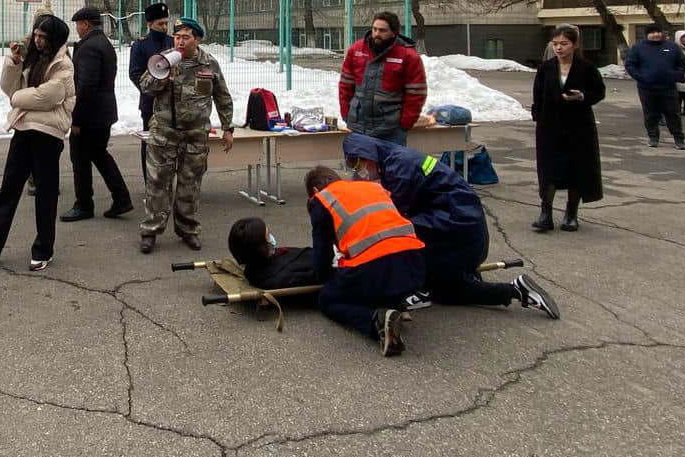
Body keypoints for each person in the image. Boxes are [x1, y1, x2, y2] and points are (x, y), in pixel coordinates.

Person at [344, 133, 558, 317]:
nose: (359, 171)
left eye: (358, 164)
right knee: (447, 292)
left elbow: (393, 219)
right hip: (460, 224)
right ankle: (516, 290)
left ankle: (418, 289)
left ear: (368, 155)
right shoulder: (394, 160)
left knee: (401, 234)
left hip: (455, 225)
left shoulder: (399, 167)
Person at [0, 15, 75, 272]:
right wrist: (14, 61)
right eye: (36, 35)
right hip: (23, 129)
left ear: (55, 39)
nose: (38, 41)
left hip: (48, 134)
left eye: (43, 37)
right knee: (8, 190)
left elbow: (48, 96)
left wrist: (18, 98)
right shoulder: (32, 58)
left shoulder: (64, 64)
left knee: (45, 195)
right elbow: (9, 87)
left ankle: (43, 250)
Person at [304, 166, 426, 356]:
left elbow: (322, 260)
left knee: (327, 299)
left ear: (314, 191)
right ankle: (395, 303)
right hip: (415, 269)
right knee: (375, 269)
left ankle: (375, 320)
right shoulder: (373, 188)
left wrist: (328, 280)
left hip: (374, 272)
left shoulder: (322, 200)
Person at [138, 18, 235, 254]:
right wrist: (163, 77)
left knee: (189, 187)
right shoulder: (165, 59)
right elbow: (145, 87)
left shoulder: (209, 64)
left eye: (186, 37)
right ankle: (150, 231)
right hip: (164, 134)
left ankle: (188, 230)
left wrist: (227, 127)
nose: (180, 41)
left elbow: (222, 96)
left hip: (194, 136)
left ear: (197, 40)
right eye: (177, 37)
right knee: (157, 186)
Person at [529, 24, 605, 231]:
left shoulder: (586, 68)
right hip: (550, 126)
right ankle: (546, 212)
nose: (559, 48)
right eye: (555, 44)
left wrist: (582, 96)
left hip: (578, 127)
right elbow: (537, 94)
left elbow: (599, 92)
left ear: (574, 44)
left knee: (576, 169)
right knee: (549, 170)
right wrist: (538, 116)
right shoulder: (546, 68)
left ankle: (571, 213)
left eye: (564, 44)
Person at [61, 5, 132, 222]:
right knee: (100, 155)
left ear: (86, 24)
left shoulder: (89, 47)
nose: (77, 29)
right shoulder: (104, 43)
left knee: (80, 158)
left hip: (90, 117)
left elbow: (86, 86)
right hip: (103, 113)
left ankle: (84, 205)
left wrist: (77, 120)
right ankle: (121, 199)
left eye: (78, 25)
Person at [337, 11, 427, 146]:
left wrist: (403, 124)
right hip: (358, 128)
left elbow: (416, 94)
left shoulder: (408, 56)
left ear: (394, 32)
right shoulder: (356, 50)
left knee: (390, 168)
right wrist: (347, 114)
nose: (377, 34)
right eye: (374, 29)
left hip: (391, 131)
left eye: (382, 30)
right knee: (359, 167)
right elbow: (345, 85)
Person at [127, 3, 173, 182]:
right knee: (150, 144)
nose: (164, 27)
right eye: (160, 24)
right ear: (150, 24)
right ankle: (150, 181)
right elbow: (135, 73)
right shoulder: (141, 46)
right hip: (150, 104)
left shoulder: (171, 42)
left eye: (166, 23)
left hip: (171, 104)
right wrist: (152, 88)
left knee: (170, 144)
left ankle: (167, 180)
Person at [622, 26, 685, 149]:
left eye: (658, 31)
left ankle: (679, 139)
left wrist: (675, 75)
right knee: (650, 113)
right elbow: (630, 64)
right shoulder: (638, 48)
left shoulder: (672, 47)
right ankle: (653, 137)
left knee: (673, 113)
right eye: (652, 32)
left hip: (668, 87)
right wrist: (640, 77)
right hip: (647, 87)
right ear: (647, 34)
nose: (656, 34)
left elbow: (683, 64)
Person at [227, 216, 321, 293]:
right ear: (260, 248)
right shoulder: (278, 278)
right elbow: (320, 276)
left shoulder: (258, 262)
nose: (271, 238)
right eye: (268, 236)